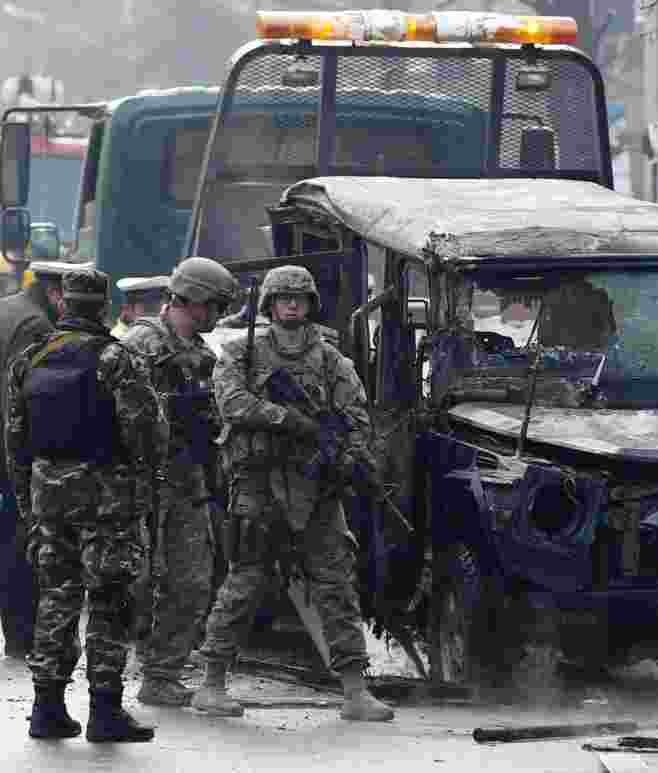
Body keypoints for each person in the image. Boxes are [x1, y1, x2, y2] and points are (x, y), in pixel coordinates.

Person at [192, 265, 393, 722]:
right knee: (245, 582)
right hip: (260, 483)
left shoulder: (331, 361)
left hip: (315, 486)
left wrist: (349, 456)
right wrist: (288, 420)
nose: (291, 305)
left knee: (336, 584)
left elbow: (355, 417)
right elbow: (233, 405)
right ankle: (211, 683)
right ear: (268, 304)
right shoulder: (241, 353)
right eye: (283, 298)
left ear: (310, 305)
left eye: (299, 299)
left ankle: (355, 690)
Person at [6, 268, 162, 742]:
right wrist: (145, 489)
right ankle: (105, 711)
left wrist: (29, 505)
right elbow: (146, 433)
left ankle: (46, 708)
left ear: (62, 305)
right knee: (109, 602)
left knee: (56, 600)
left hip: (49, 499)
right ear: (103, 308)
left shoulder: (30, 359)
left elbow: (15, 441)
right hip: (108, 503)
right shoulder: (117, 358)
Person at [123, 258, 237, 707]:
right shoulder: (141, 345)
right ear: (192, 299)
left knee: (191, 581)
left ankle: (162, 673)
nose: (219, 314)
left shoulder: (206, 357)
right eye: (215, 304)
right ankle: (111, 674)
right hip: (141, 482)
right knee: (134, 580)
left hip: (187, 480)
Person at [0, 261, 76, 659]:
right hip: (9, 452)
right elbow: (17, 397)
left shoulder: (6, 307)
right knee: (21, 544)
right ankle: (21, 636)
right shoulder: (35, 327)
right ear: (55, 293)